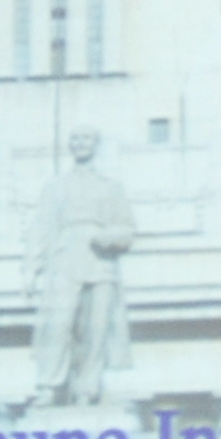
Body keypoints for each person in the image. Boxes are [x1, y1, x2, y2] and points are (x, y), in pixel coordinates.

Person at [28, 126, 137, 405]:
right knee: (58, 324)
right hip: (65, 258)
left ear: (96, 144)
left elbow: (127, 228)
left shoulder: (111, 187)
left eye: (86, 138)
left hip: (100, 262)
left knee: (96, 329)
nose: (80, 144)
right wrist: (31, 267)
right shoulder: (55, 187)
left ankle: (88, 388)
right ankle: (48, 385)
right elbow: (42, 227)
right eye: (75, 139)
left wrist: (111, 236)